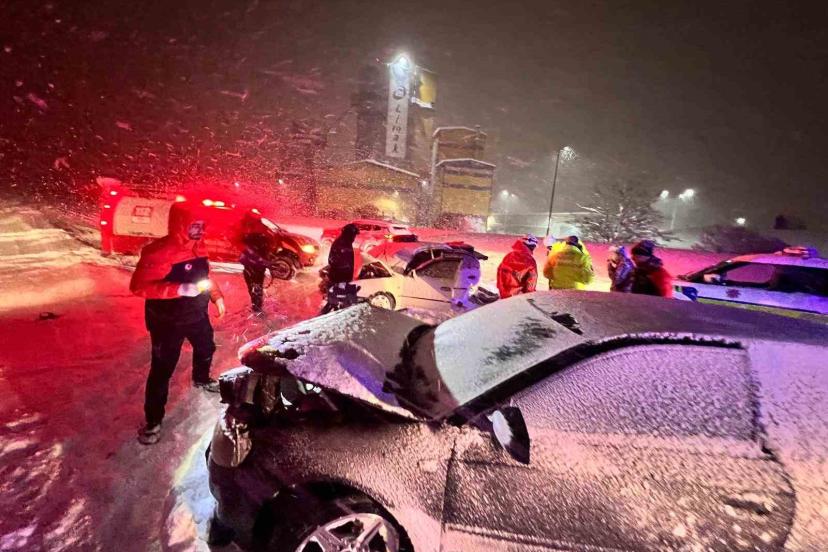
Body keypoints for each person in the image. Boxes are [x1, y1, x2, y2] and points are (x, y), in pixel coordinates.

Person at [129, 202, 225, 445]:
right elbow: (139, 287)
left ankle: (201, 378)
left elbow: (205, 278)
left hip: (196, 315)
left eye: (202, 226)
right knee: (162, 370)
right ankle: (153, 421)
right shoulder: (158, 252)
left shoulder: (199, 248)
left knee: (206, 347)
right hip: (167, 323)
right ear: (180, 225)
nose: (200, 231)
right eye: (194, 226)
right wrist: (179, 289)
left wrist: (216, 297)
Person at [321, 223, 362, 313]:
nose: (354, 238)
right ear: (349, 234)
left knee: (342, 303)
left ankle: (335, 312)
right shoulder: (341, 244)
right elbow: (332, 260)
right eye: (354, 235)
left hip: (343, 278)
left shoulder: (346, 243)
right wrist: (344, 267)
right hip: (339, 279)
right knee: (338, 303)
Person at [239, 229, 271, 314]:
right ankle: (257, 307)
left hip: (252, 270)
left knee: (253, 288)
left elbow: (242, 259)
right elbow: (265, 260)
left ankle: (256, 307)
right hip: (256, 270)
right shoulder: (262, 244)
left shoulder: (249, 248)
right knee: (256, 288)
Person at [497, 234, 539, 298]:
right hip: (518, 296)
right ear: (532, 246)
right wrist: (529, 296)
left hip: (504, 294)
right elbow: (532, 281)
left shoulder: (508, 256)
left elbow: (499, 273)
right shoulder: (530, 261)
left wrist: (502, 290)